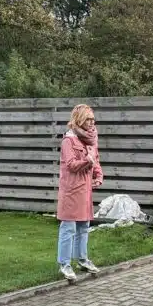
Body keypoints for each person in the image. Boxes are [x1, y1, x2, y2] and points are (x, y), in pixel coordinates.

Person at [56, 104, 103, 283]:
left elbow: (96, 160)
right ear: (79, 119)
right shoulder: (68, 140)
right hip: (71, 191)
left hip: (85, 190)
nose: (92, 122)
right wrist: (87, 162)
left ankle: (82, 260)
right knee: (68, 228)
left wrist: (98, 175)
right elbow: (71, 165)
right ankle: (64, 264)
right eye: (88, 119)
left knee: (84, 227)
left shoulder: (91, 140)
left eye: (93, 119)